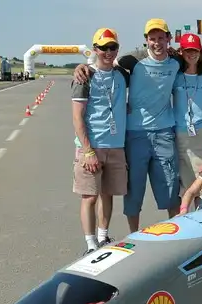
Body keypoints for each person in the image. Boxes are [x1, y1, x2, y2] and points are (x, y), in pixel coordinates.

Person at [74, 18, 181, 233]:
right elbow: (104, 66)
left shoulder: (177, 61)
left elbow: (200, 60)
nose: (157, 43)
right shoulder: (131, 61)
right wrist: (82, 66)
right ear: (146, 40)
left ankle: (177, 234)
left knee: (170, 188)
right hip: (135, 134)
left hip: (164, 133)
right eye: (152, 38)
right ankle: (134, 235)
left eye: (161, 38)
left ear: (169, 38)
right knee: (134, 190)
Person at [71, 28, 129, 254]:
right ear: (94, 49)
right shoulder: (84, 77)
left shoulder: (122, 74)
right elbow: (77, 117)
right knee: (89, 196)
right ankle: (90, 244)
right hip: (92, 147)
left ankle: (104, 237)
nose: (108, 52)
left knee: (108, 194)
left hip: (115, 146)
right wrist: (87, 151)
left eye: (113, 47)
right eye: (103, 48)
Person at [173, 33, 202, 193]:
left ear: (200, 52)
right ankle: (187, 208)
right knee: (187, 181)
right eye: (187, 50)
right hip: (182, 131)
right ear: (181, 52)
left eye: (195, 50)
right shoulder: (175, 76)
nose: (191, 54)